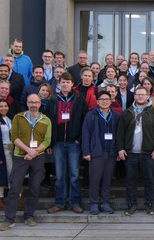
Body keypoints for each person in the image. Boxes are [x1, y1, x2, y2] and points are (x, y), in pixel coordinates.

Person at [0, 94, 51, 231]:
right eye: (31, 102)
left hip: (38, 158)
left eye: (36, 102)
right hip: (20, 157)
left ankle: (29, 216)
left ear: (40, 104)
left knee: (34, 188)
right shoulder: (18, 117)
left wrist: (35, 152)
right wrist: (28, 150)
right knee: (14, 188)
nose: (33, 105)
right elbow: (14, 137)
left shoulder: (46, 120)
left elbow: (47, 141)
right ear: (27, 103)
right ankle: (9, 219)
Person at [117, 86, 154, 216]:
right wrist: (120, 149)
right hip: (130, 153)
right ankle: (131, 205)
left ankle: (149, 204)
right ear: (134, 96)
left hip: (148, 154)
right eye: (138, 94)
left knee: (149, 180)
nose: (140, 97)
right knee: (130, 180)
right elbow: (120, 133)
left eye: (143, 94)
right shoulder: (127, 113)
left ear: (148, 95)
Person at [46, 72, 89, 214]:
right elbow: (48, 122)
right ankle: (59, 202)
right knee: (59, 175)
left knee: (75, 175)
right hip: (58, 143)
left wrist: (79, 140)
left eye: (68, 82)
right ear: (59, 84)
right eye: (63, 82)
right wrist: (50, 143)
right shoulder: (53, 100)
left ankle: (75, 202)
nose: (65, 84)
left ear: (72, 84)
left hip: (74, 143)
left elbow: (85, 122)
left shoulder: (79, 100)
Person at [82, 91, 120, 215]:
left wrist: (118, 150)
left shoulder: (116, 116)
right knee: (95, 179)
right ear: (97, 101)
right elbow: (85, 134)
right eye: (102, 99)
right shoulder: (91, 115)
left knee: (107, 179)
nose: (104, 101)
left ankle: (105, 203)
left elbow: (119, 135)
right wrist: (86, 152)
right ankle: (93, 204)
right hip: (96, 152)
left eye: (107, 99)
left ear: (111, 101)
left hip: (111, 152)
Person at [37, 83, 54, 190]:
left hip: (48, 133)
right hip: (36, 134)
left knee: (47, 160)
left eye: (46, 91)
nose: (44, 92)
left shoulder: (52, 103)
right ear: (39, 91)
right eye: (42, 90)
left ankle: (47, 179)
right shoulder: (34, 103)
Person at [0, 99, 12, 210]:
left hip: (11, 150)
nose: (4, 108)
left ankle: (14, 198)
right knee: (1, 175)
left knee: (11, 173)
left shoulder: (9, 119)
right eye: (1, 106)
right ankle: (0, 198)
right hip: (1, 150)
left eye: (5, 106)